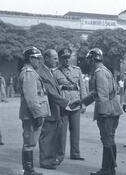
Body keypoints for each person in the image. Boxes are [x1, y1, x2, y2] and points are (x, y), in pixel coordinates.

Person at [71, 48, 123, 175]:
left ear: (92, 59)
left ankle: (107, 169)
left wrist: (103, 114)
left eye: (89, 59)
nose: (88, 62)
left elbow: (103, 95)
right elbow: (96, 93)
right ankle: (109, 169)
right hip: (112, 109)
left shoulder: (99, 72)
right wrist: (82, 101)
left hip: (107, 111)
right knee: (109, 139)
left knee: (107, 139)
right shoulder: (103, 70)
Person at [19, 47, 51, 175]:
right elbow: (31, 98)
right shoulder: (29, 73)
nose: (39, 61)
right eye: (37, 58)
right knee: (29, 143)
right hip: (32, 114)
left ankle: (29, 170)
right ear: (30, 58)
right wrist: (38, 115)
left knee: (30, 142)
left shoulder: (31, 72)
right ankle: (28, 170)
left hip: (31, 113)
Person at [52, 47, 87, 161]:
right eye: (64, 58)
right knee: (61, 131)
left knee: (75, 131)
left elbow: (82, 87)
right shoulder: (55, 72)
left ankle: (75, 153)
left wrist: (84, 103)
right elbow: (54, 91)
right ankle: (60, 154)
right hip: (63, 104)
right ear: (60, 59)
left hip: (76, 103)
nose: (66, 60)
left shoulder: (77, 70)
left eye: (68, 58)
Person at [38, 49, 70, 169]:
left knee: (52, 135)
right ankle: (45, 161)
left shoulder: (49, 71)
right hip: (48, 109)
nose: (57, 61)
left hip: (54, 108)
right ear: (46, 58)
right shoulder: (42, 72)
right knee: (47, 135)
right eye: (55, 58)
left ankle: (49, 159)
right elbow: (51, 93)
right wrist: (67, 103)